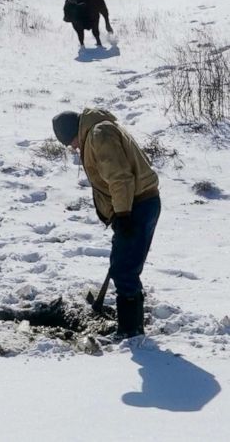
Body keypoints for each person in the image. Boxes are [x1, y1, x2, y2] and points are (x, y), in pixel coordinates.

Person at [52, 108, 161, 338]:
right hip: (136, 205)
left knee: (124, 270)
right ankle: (132, 326)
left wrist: (123, 214)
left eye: (70, 142)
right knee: (123, 264)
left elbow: (120, 177)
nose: (73, 148)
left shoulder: (99, 135)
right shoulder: (97, 132)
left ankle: (130, 332)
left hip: (136, 206)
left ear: (74, 132)